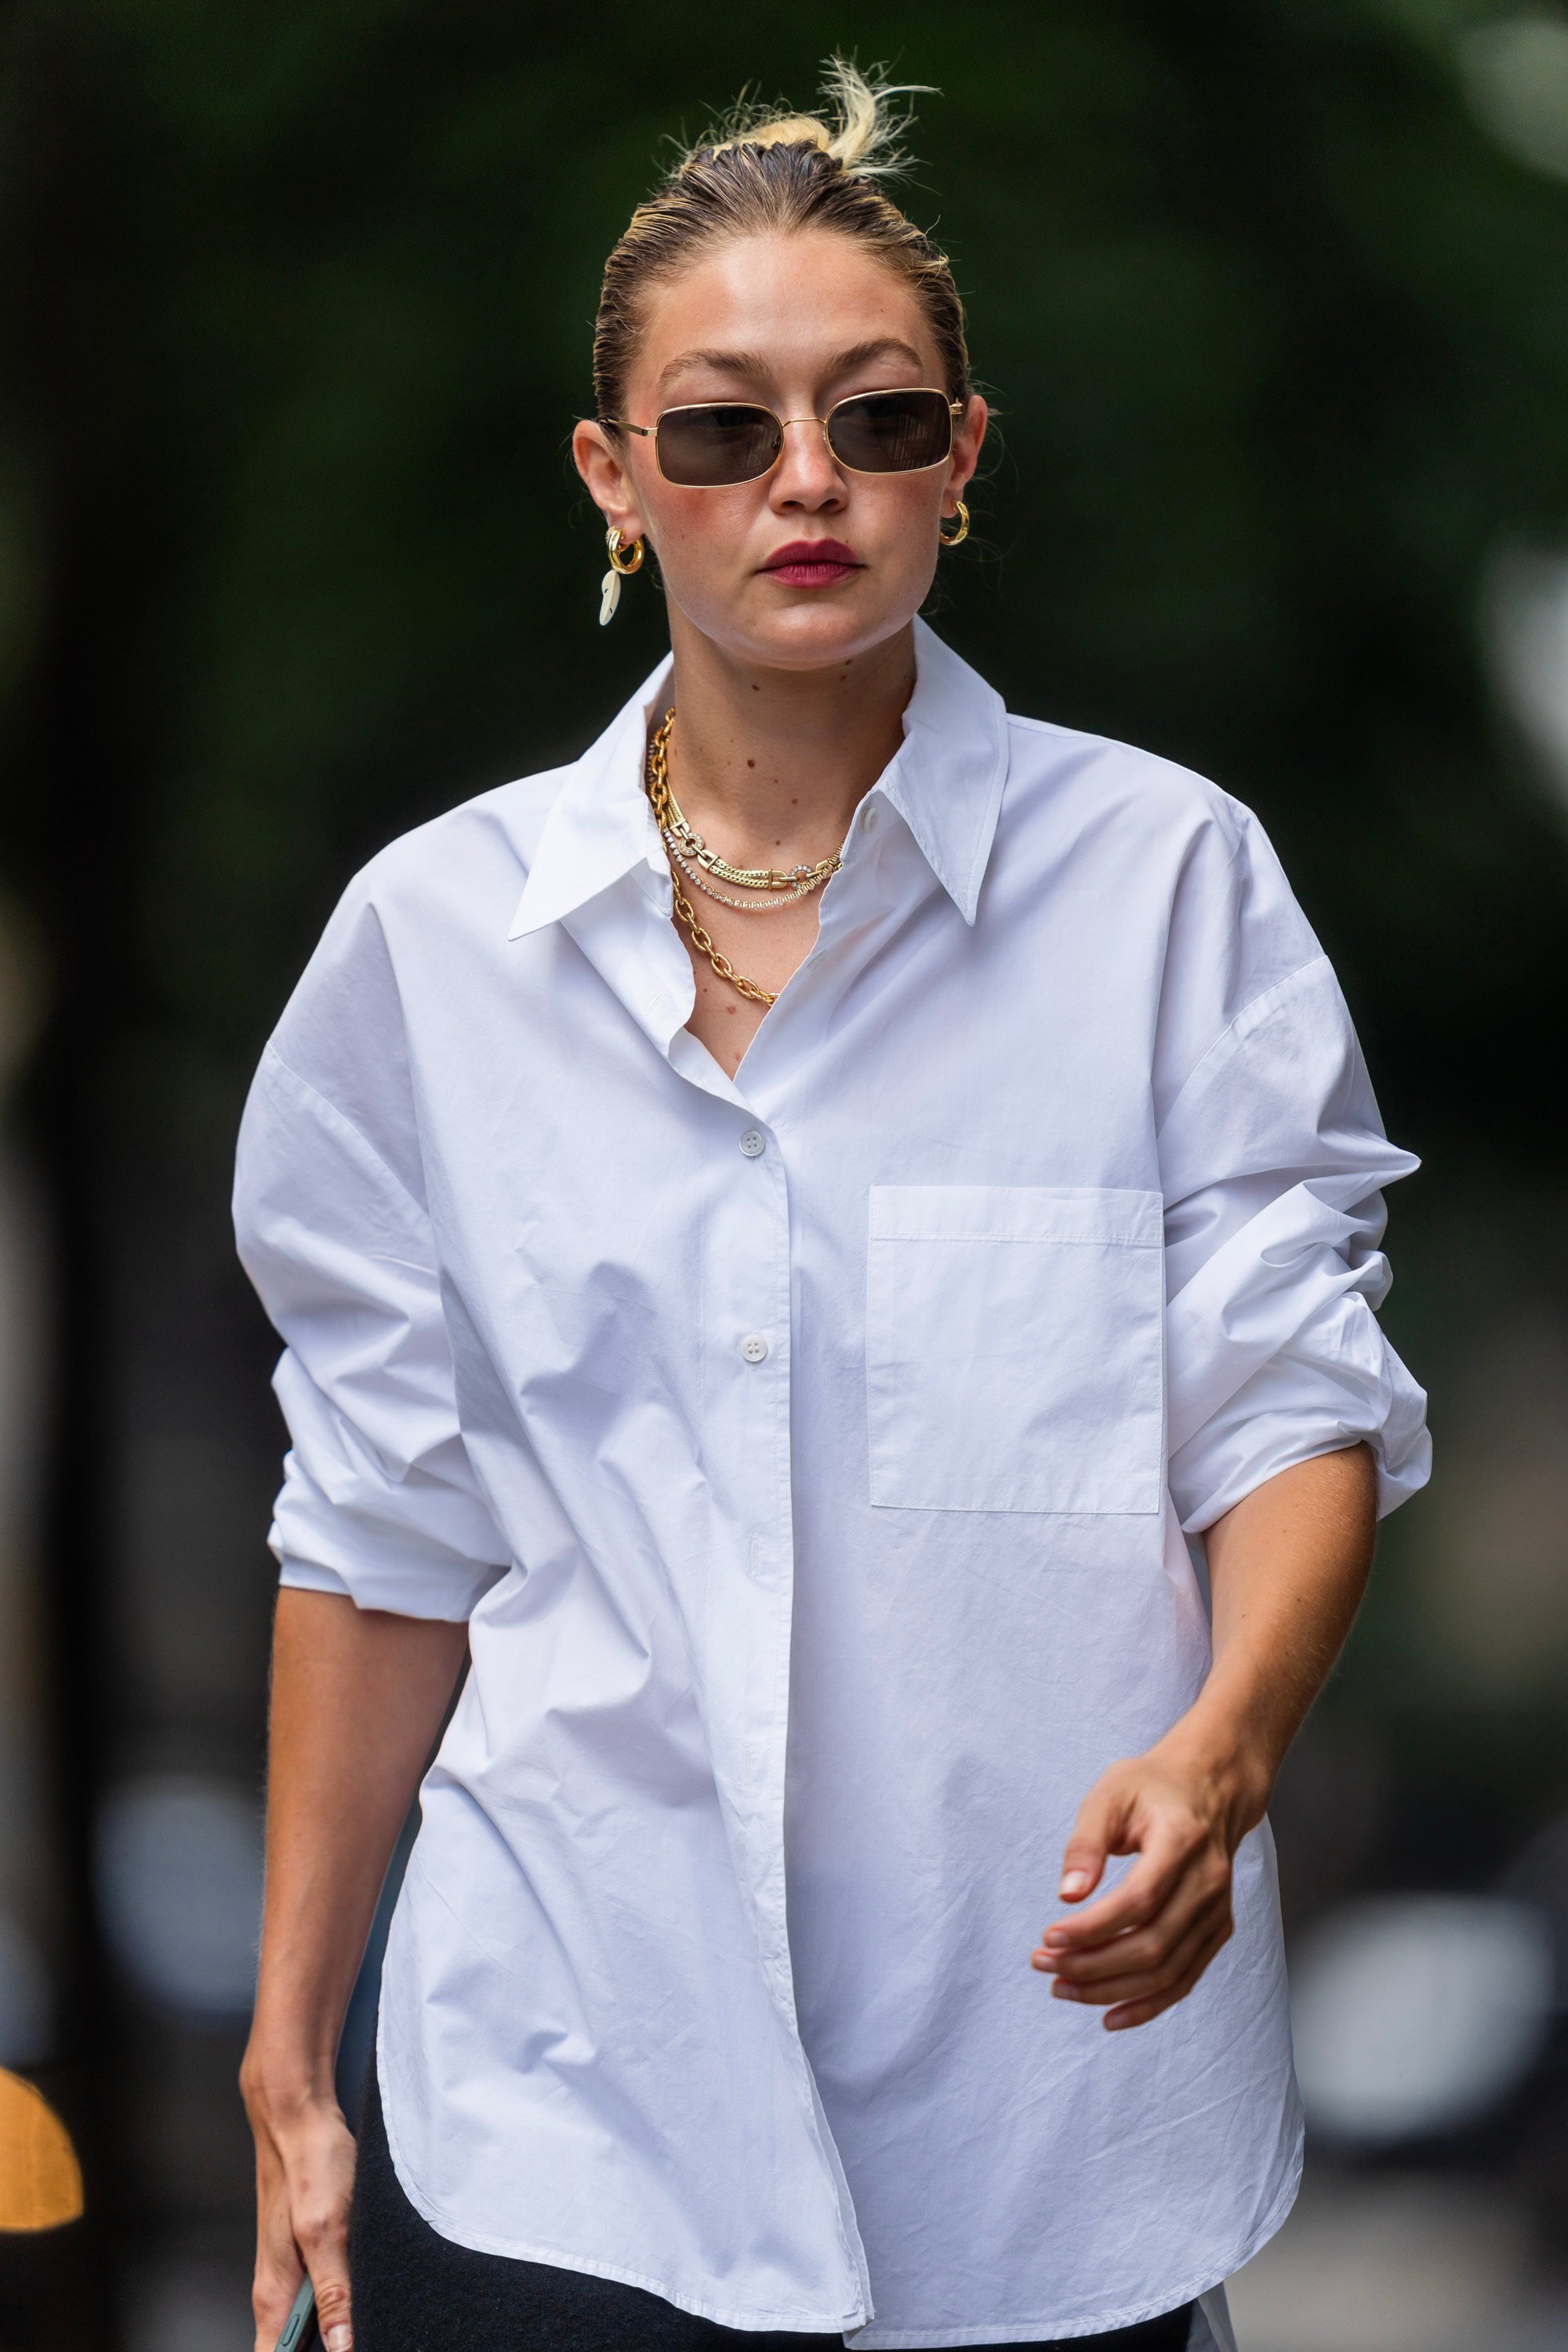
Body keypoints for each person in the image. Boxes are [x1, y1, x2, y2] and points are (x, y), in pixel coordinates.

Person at [234, 62, 1430, 2352]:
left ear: (960, 462)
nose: (806, 480)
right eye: (720, 429)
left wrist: (1228, 1749)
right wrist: (295, 2043)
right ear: (615, 483)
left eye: (878, 422)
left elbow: (1289, 1392)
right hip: (564, 2094)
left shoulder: (1169, 885)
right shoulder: (429, 943)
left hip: (1046, 2117)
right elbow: (384, 1524)